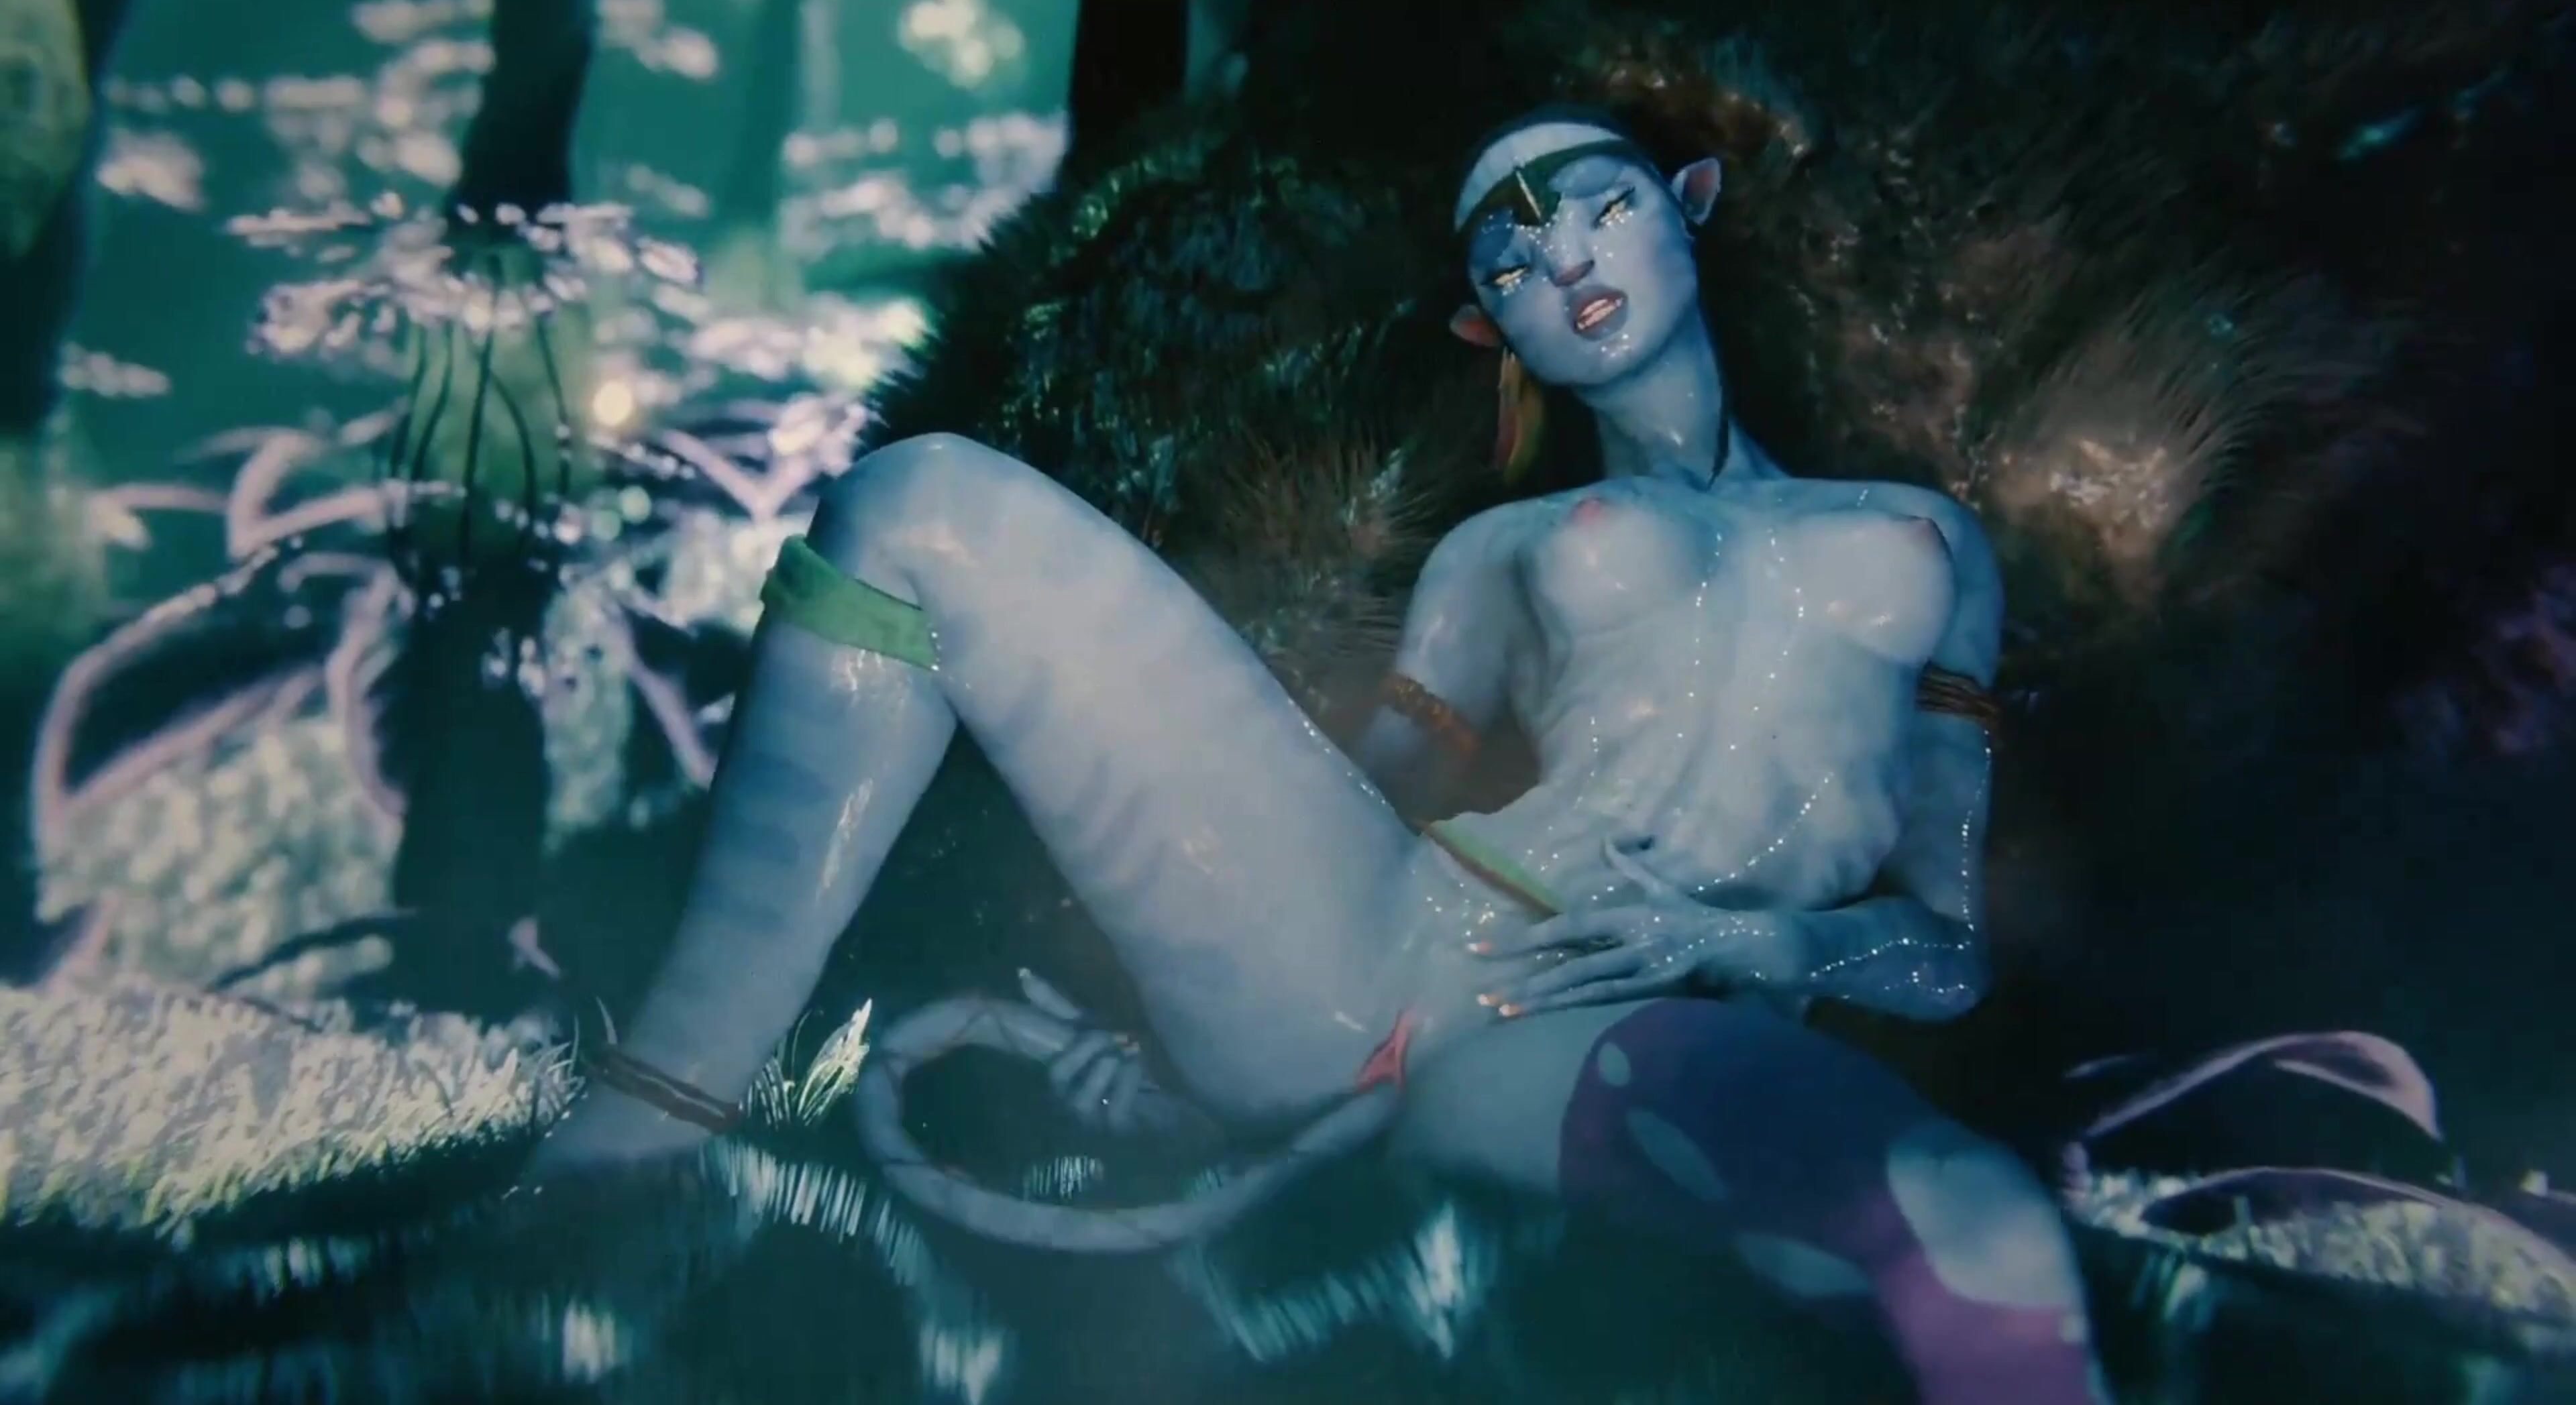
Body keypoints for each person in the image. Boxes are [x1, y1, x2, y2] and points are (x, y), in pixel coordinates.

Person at [530, 108, 2108, 1404]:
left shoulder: (1923, 543)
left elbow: (1944, 947)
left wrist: (1764, 942)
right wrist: (1169, 1034)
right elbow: (1351, 808)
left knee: (1975, 1224)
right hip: (1377, 949)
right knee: (922, 501)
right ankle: (635, 1140)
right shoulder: (1498, 554)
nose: (1561, 256)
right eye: (1511, 257)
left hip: (1587, 1027)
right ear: (1491, 328)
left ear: (1691, 210)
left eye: (1601, 207)